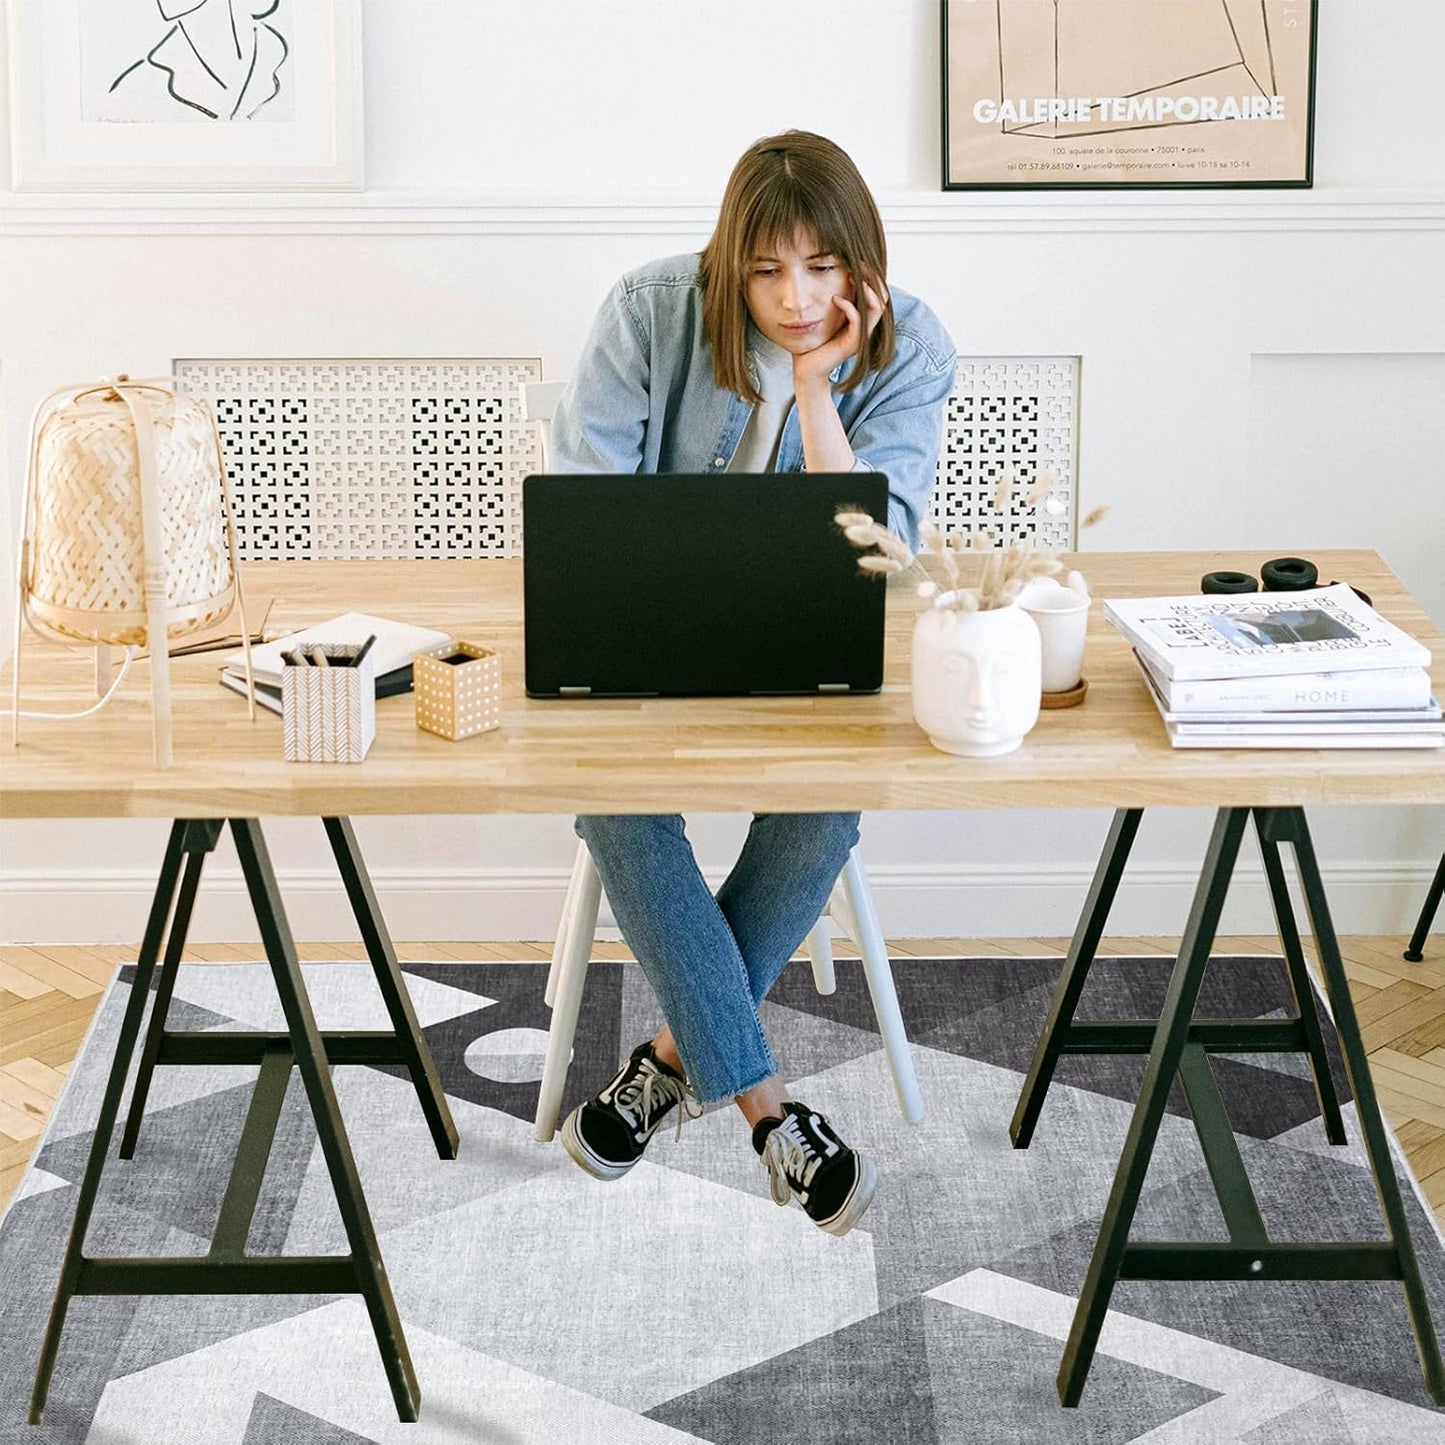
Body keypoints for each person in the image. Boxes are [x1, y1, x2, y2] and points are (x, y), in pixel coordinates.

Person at [549, 130, 956, 1236]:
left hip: (804, 655)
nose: (793, 298)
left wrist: (818, 390)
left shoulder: (910, 347)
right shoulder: (648, 311)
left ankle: (667, 1062)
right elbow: (584, 514)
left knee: (825, 805)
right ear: (729, 259)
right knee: (616, 802)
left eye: (822, 267)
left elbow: (878, 555)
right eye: (766, 270)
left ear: (861, 261)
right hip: (645, 648)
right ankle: (770, 1112)